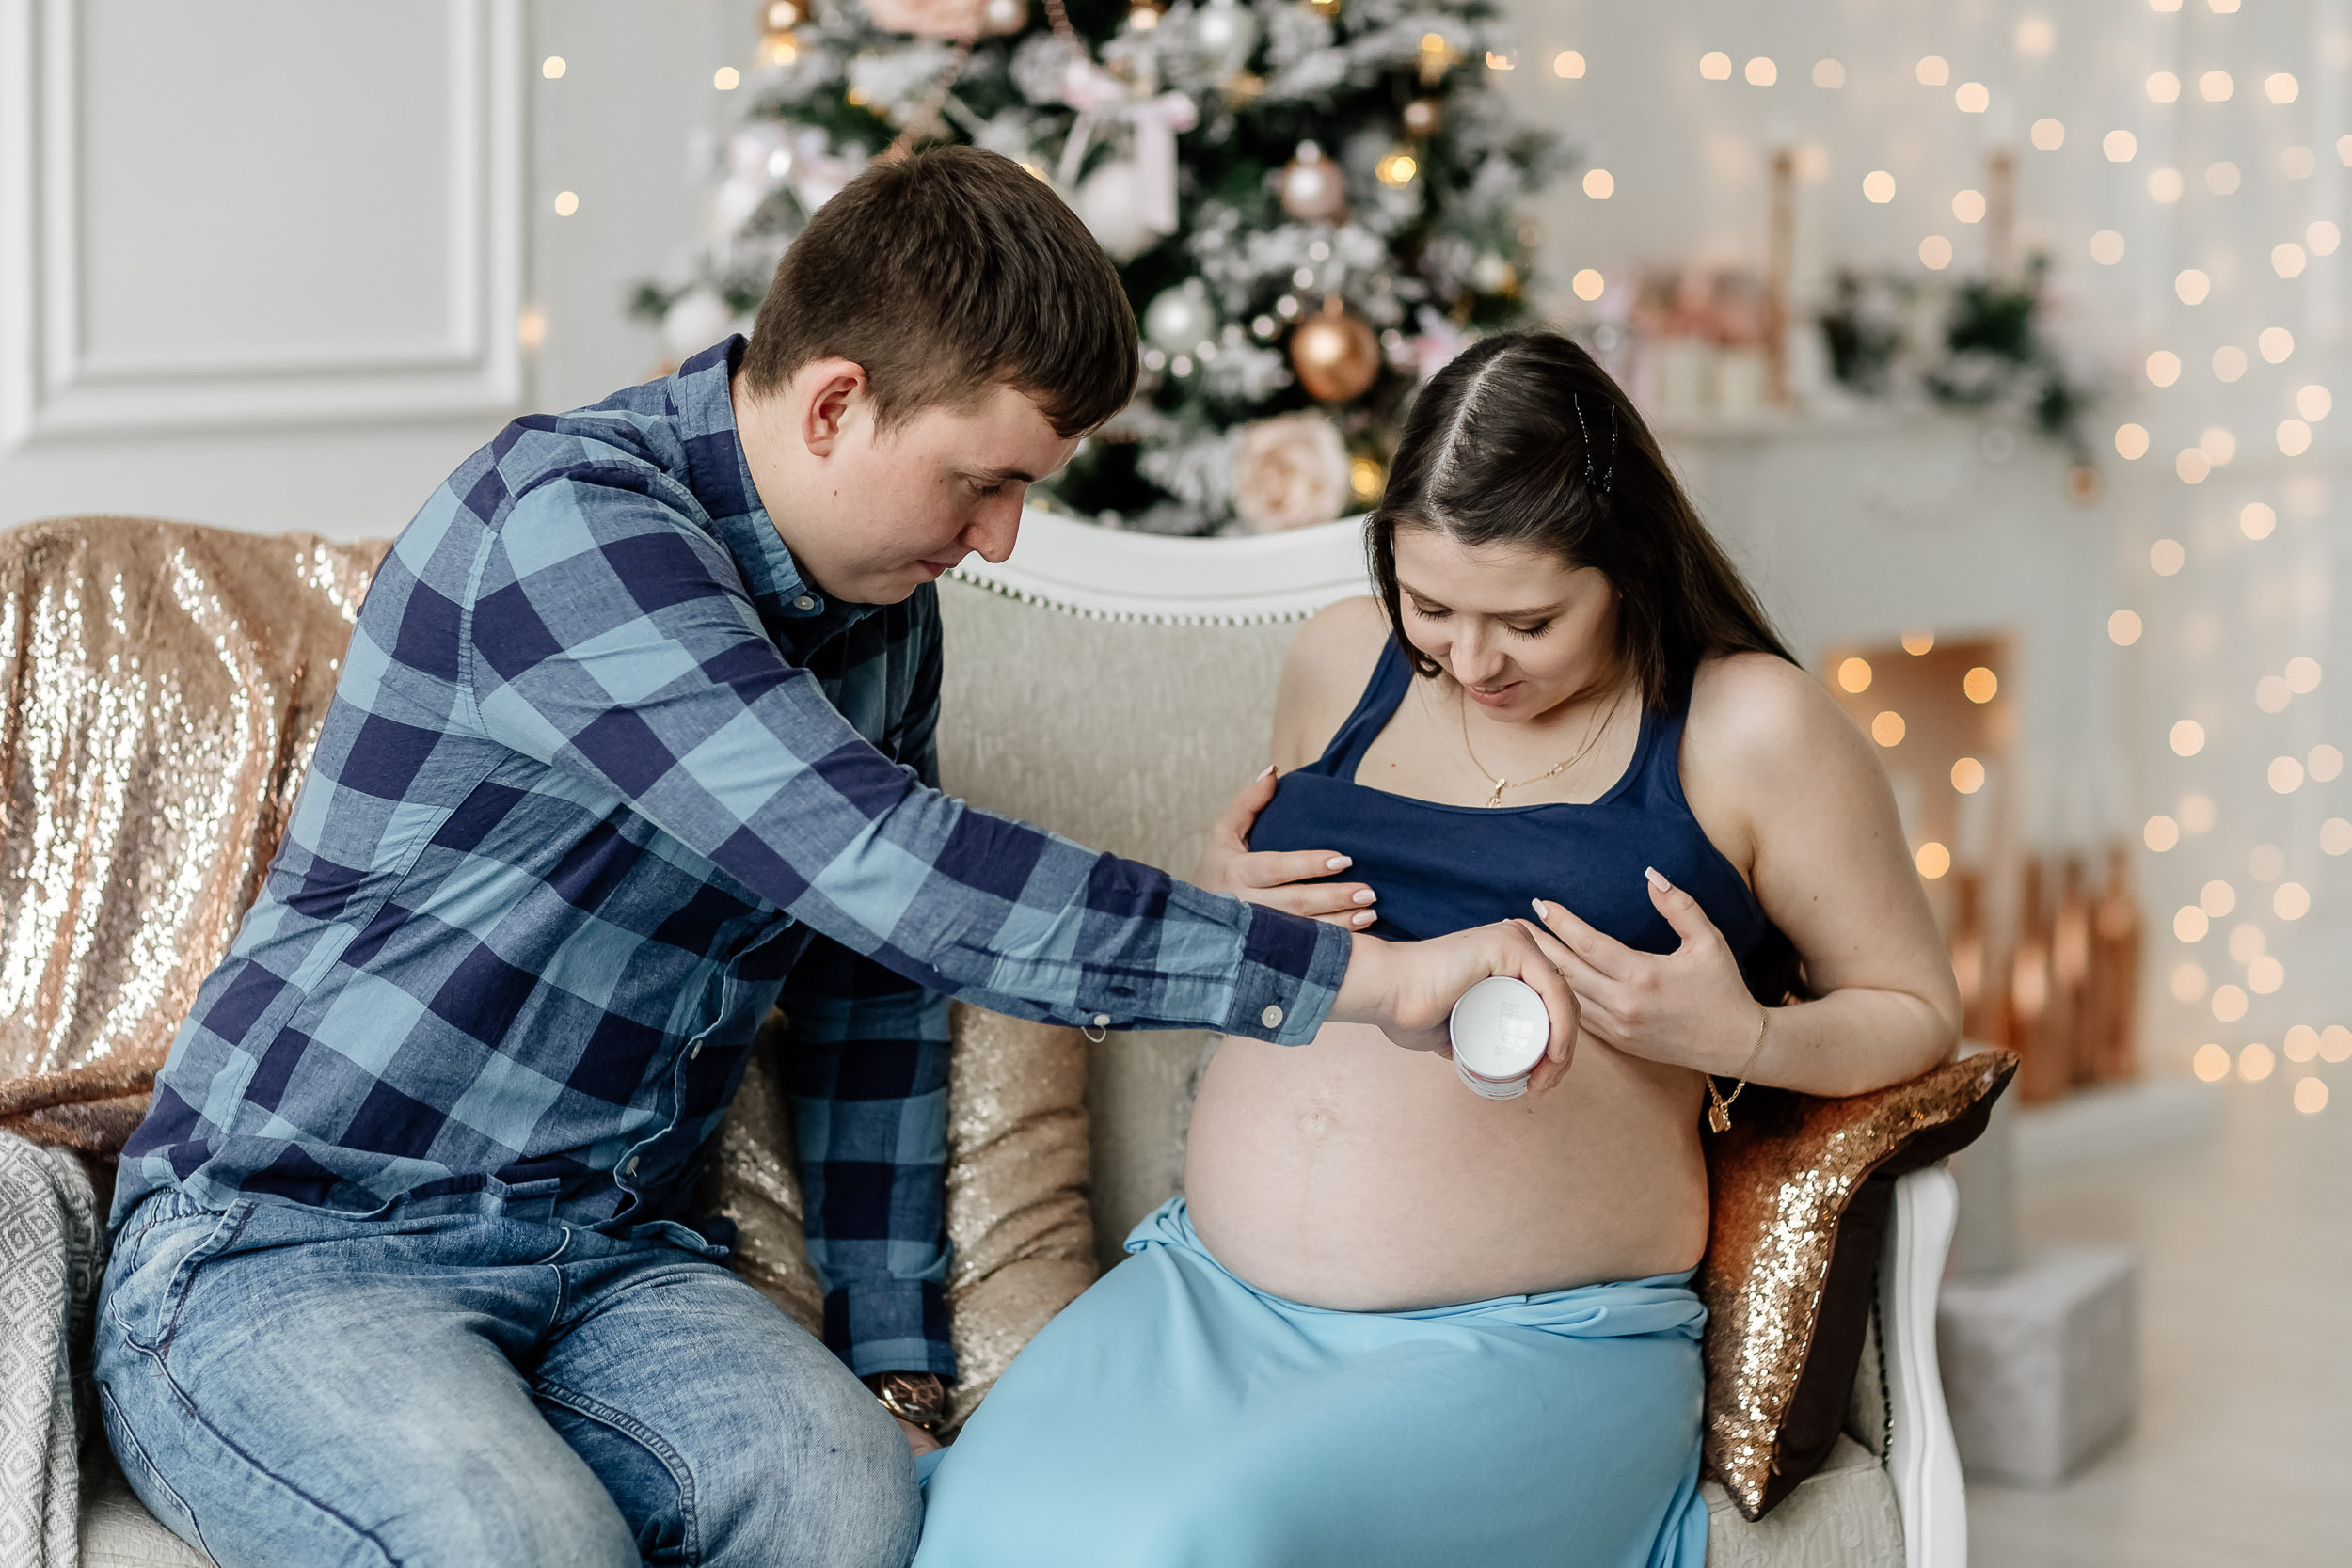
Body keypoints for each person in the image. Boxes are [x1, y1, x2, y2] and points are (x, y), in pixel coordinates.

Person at [89, 148, 1578, 1568]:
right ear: (834, 403)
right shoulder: (568, 527)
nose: (997, 540)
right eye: (977, 482)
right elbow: (895, 873)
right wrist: (1362, 981)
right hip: (292, 1240)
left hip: (605, 1256)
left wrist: (896, 1370)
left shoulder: (882, 620)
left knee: (847, 1505)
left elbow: (876, 988)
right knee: (512, 1547)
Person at [910, 330, 1964, 1568]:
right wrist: (1224, 896)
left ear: (1624, 567)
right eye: (1433, 610)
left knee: (1200, 1542)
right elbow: (1272, 943)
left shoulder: (1749, 729)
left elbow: (1913, 1007)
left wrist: (1745, 1036)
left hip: (1531, 1343)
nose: (1471, 662)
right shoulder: (1339, 659)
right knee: (976, 1519)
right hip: (1203, 1298)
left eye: (1526, 620)